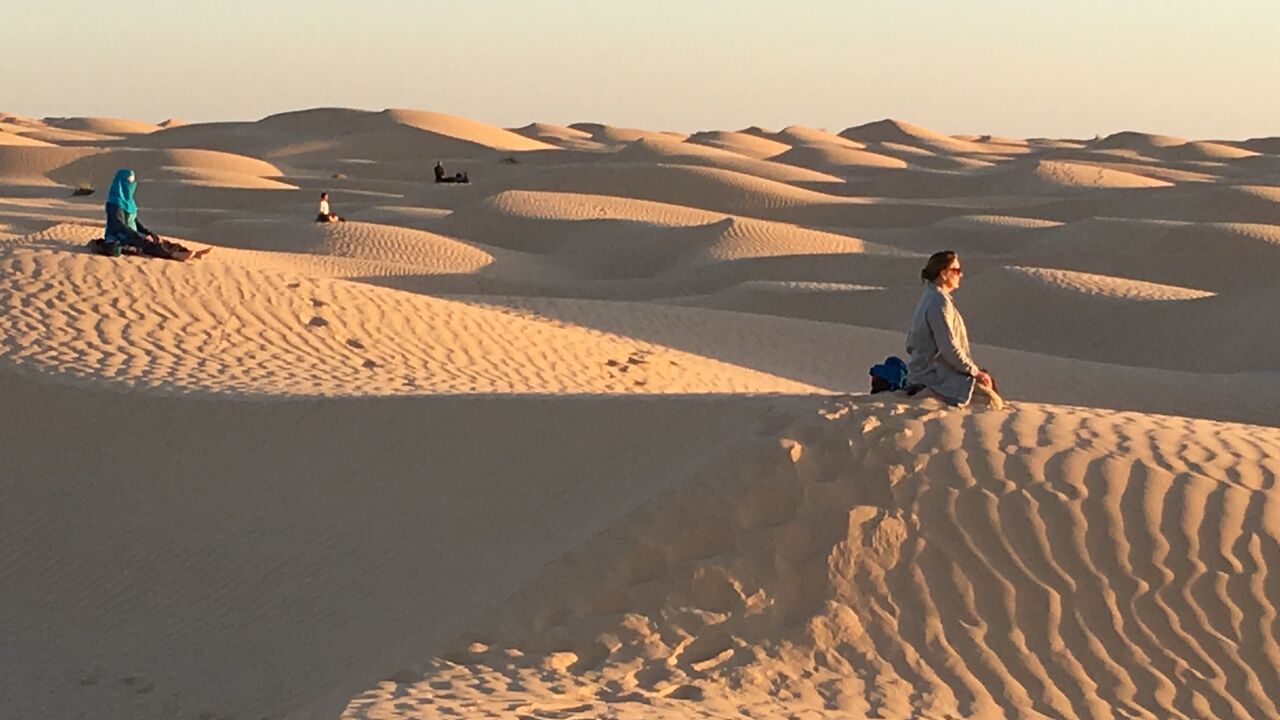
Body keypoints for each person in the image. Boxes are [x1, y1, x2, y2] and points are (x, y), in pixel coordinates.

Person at [905, 250, 1004, 409]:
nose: (961, 274)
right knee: (990, 403)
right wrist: (974, 372)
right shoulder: (939, 302)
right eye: (956, 270)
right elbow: (948, 347)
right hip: (934, 377)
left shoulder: (930, 297)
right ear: (944, 273)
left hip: (928, 373)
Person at [98, 168, 207, 260]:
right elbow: (120, 226)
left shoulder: (128, 202)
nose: (132, 184)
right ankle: (172, 255)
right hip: (121, 236)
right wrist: (140, 235)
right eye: (129, 181)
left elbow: (134, 221)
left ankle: (188, 252)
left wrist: (149, 233)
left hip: (132, 234)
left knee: (159, 240)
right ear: (121, 182)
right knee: (147, 244)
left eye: (133, 181)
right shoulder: (114, 203)